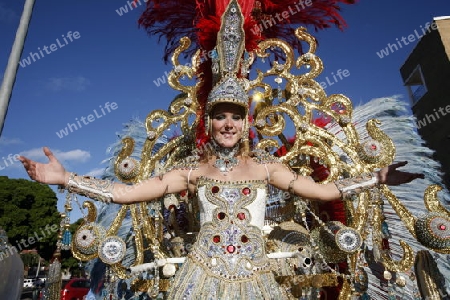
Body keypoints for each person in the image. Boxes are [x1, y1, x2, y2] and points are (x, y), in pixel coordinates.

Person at [19, 2, 425, 298]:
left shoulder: (267, 169)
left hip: (259, 284)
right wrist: (64, 177)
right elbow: (125, 193)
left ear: (246, 122)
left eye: (236, 116)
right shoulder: (190, 172)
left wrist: (376, 178)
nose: (228, 124)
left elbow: (324, 192)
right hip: (198, 283)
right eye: (220, 116)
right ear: (210, 122)